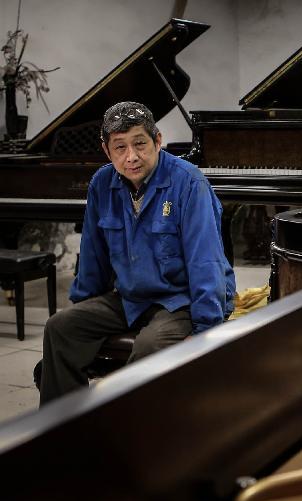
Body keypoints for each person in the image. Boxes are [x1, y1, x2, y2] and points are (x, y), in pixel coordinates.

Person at [39, 101, 236, 405]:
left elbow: (205, 260)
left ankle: (128, 430)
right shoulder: (101, 184)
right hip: (130, 296)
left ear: (158, 140)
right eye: (120, 147)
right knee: (61, 327)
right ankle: (66, 424)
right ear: (107, 151)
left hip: (179, 298)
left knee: (150, 346)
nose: (131, 156)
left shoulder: (188, 182)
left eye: (140, 144)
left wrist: (206, 328)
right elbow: (93, 257)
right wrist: (84, 309)